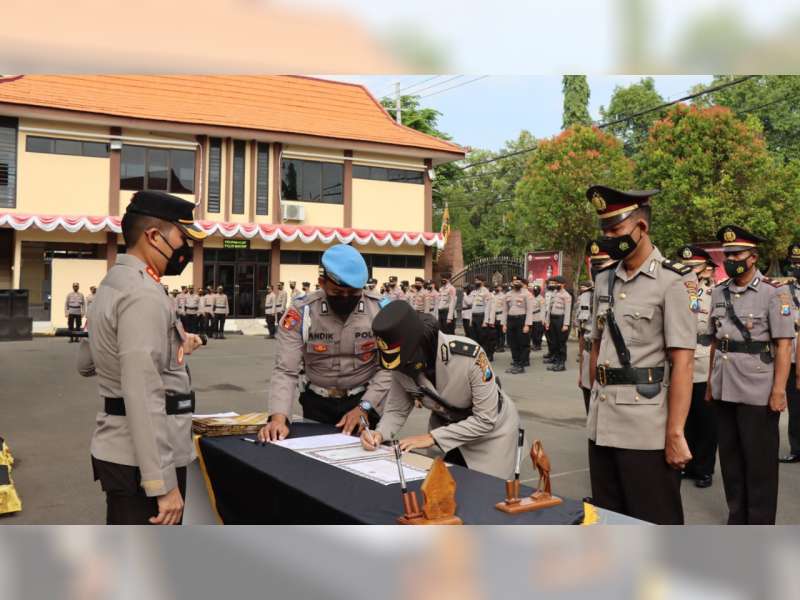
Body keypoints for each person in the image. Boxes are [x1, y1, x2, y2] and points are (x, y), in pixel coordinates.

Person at [77, 190, 206, 525]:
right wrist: (162, 484)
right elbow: (143, 391)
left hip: (122, 450)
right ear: (153, 236)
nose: (186, 249)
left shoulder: (113, 282)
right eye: (182, 238)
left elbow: (86, 363)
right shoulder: (143, 294)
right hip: (143, 462)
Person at [586, 184, 696, 524]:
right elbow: (595, 346)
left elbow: (683, 362)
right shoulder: (604, 280)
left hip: (645, 428)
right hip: (602, 424)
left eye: (615, 230)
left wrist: (675, 433)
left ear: (641, 227)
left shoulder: (672, 281)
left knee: (653, 521)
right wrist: (593, 404)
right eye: (604, 230)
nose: (608, 238)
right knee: (609, 521)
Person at [360, 300, 521, 479]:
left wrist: (432, 438)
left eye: (406, 359)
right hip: (446, 428)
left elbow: (485, 419)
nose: (402, 368)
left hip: (491, 434)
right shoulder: (400, 362)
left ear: (421, 343)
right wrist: (379, 433)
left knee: (486, 488)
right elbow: (397, 409)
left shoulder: (469, 356)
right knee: (439, 485)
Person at [259, 244, 392, 442]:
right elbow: (286, 370)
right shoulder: (302, 312)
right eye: (337, 293)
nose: (345, 298)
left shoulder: (381, 311)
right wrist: (279, 419)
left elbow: (389, 369)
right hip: (316, 404)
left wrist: (365, 407)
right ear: (322, 282)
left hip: (364, 401)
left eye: (353, 294)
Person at [706, 225, 793, 524]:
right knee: (730, 461)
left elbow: (784, 345)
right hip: (724, 386)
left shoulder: (774, 292)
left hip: (758, 389)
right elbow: (716, 341)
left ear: (753, 257)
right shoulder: (719, 292)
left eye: (737, 254)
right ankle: (737, 518)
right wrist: (710, 383)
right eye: (727, 255)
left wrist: (779, 391)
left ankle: (759, 524)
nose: (731, 260)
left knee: (760, 464)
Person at [676, 244, 718, 489]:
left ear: (706, 268)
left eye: (694, 266)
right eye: (686, 266)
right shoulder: (674, 290)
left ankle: (704, 468)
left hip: (702, 361)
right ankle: (687, 464)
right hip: (678, 362)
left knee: (705, 421)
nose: (689, 270)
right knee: (684, 417)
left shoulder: (714, 294)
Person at [577, 241, 615, 414]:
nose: (598, 269)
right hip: (588, 360)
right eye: (595, 264)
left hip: (611, 362)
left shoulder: (623, 293)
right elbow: (582, 334)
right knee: (590, 412)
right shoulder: (586, 296)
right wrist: (581, 371)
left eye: (603, 264)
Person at [780, 243, 800, 464]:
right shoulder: (785, 291)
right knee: (795, 407)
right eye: (794, 263)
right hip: (793, 358)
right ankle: (797, 448)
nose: (796, 267)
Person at [501, 276, 534, 374]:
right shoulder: (507, 294)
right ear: (512, 283)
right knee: (512, 343)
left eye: (519, 281)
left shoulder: (527, 294)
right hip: (510, 320)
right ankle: (516, 362)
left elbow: (529, 311)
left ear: (522, 283)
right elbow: (505, 310)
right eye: (515, 281)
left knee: (522, 343)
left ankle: (521, 365)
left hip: (522, 320)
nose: (517, 283)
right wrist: (504, 324)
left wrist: (527, 325)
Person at [545, 276, 572, 372]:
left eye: (558, 283)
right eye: (555, 283)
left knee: (561, 343)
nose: (556, 285)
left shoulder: (567, 295)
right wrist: (547, 321)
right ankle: (556, 361)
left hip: (560, 320)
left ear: (563, 284)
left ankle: (561, 364)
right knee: (554, 342)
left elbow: (568, 311)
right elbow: (549, 309)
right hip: (552, 319)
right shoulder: (554, 293)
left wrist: (566, 324)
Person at [470, 275, 495, 360]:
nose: (476, 282)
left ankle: (486, 355)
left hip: (481, 317)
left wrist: (485, 321)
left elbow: (488, 307)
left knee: (483, 337)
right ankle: (477, 355)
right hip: (474, 316)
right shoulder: (474, 292)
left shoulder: (486, 292)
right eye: (475, 280)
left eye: (478, 280)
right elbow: (472, 306)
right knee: (475, 337)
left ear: (482, 282)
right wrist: (470, 319)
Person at [529, 283, 545, 351]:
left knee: (537, 332)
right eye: (534, 291)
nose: (535, 292)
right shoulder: (531, 297)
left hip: (538, 317)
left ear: (539, 291)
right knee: (532, 333)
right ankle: (534, 344)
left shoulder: (541, 299)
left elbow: (543, 309)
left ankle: (538, 345)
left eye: (536, 291)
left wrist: (542, 319)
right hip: (531, 317)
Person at [493, 283, 506, 352]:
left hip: (501, 315)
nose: (496, 288)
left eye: (497, 287)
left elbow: (505, 308)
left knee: (501, 332)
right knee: (496, 333)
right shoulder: (494, 295)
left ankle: (501, 347)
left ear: (501, 288)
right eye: (495, 287)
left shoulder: (503, 296)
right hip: (495, 316)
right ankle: (497, 345)